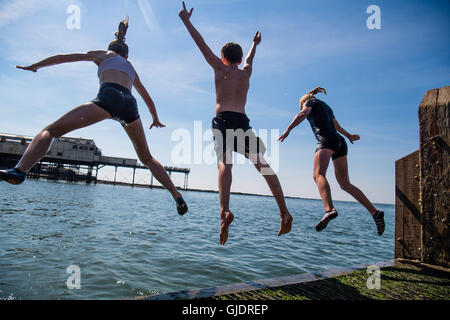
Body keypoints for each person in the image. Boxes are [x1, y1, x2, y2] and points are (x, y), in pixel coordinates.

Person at [0, 17, 188, 216]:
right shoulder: (131, 67)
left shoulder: (104, 55)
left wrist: (36, 65)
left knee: (51, 130)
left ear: (112, 49)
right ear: (126, 54)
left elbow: (62, 57)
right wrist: (155, 118)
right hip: (130, 105)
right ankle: (177, 196)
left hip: (109, 97)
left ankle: (20, 170)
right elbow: (147, 98)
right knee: (147, 157)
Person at [179, 2, 292, 245]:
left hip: (223, 121)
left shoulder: (219, 68)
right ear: (239, 60)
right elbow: (251, 59)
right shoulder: (245, 73)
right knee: (263, 165)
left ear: (223, 57)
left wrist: (187, 21)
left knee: (224, 164)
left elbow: (202, 46)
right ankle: (283, 212)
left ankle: (224, 213)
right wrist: (254, 44)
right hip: (242, 120)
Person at [278, 87, 385, 235]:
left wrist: (288, 130)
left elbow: (303, 114)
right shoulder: (327, 107)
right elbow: (338, 127)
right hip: (340, 142)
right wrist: (349, 136)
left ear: (304, 100)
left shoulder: (309, 102)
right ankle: (375, 212)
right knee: (345, 184)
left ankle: (329, 209)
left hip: (326, 140)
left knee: (318, 174)